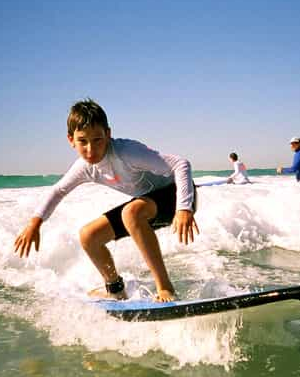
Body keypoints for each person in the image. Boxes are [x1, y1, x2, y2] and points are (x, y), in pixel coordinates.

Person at [13, 99, 198, 302]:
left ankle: (165, 288)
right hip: (146, 206)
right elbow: (58, 190)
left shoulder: (126, 152)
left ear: (108, 134)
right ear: (71, 140)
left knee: (131, 213)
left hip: (177, 195)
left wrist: (184, 208)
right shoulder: (84, 167)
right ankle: (115, 289)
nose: (91, 149)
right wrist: (35, 223)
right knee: (89, 236)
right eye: (83, 141)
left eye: (98, 140)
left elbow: (181, 164)